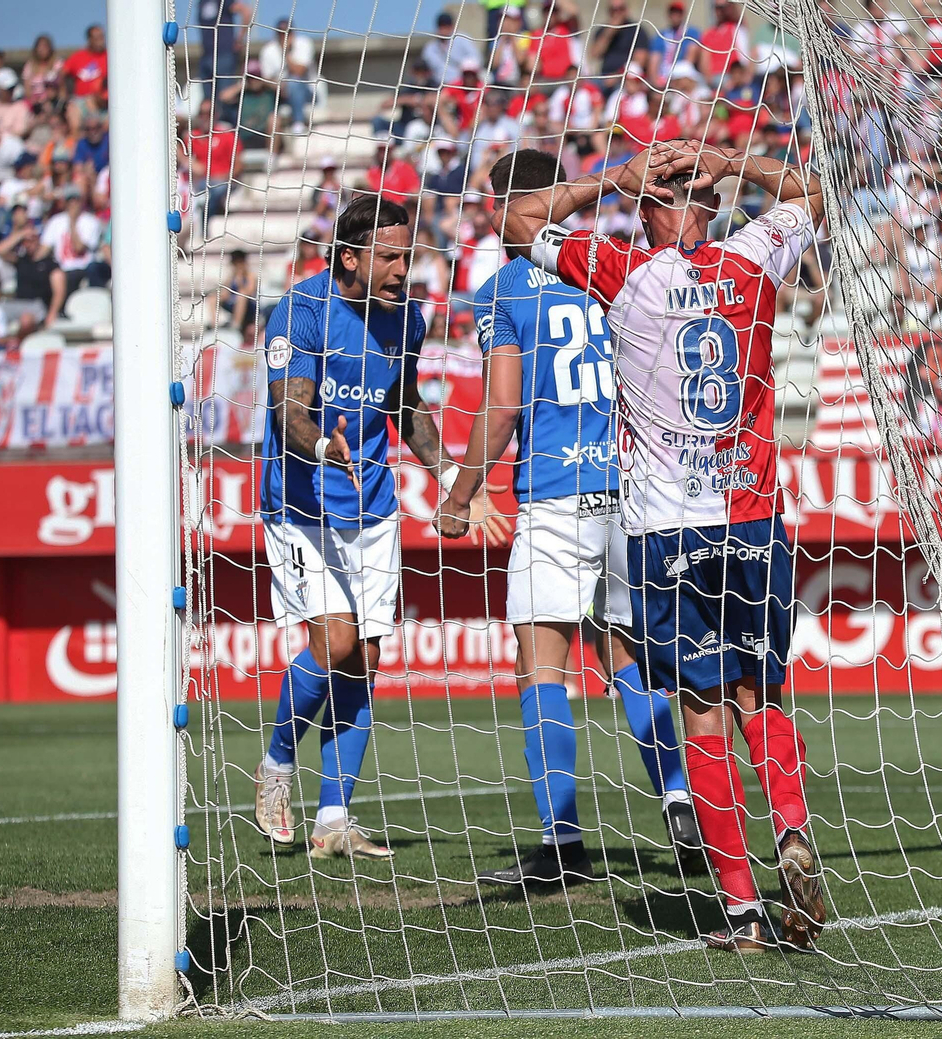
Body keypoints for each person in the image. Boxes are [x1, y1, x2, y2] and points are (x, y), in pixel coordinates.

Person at [496, 138, 827, 952]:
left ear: (648, 212)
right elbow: (811, 194)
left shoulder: (624, 271)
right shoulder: (755, 255)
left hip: (664, 529)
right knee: (766, 692)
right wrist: (734, 162)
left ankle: (744, 911)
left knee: (703, 710)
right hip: (751, 516)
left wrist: (615, 175)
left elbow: (515, 218)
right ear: (711, 206)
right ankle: (790, 824)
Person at [446, 149, 702, 886]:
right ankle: (680, 794)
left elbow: (501, 408)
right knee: (627, 655)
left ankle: (562, 844)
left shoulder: (504, 289)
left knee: (540, 662)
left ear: (509, 206)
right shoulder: (612, 267)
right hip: (631, 488)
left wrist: (462, 495)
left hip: (555, 491)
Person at [252, 194, 469, 859]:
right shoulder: (301, 310)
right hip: (302, 502)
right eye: (393, 256)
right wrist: (323, 447)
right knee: (336, 641)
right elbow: (290, 410)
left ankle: (334, 818)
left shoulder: (409, 319)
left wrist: (449, 475)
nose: (407, 269)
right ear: (350, 255)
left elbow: (402, 401)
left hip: (372, 503)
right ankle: (275, 766)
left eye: (410, 255)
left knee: (367, 657)